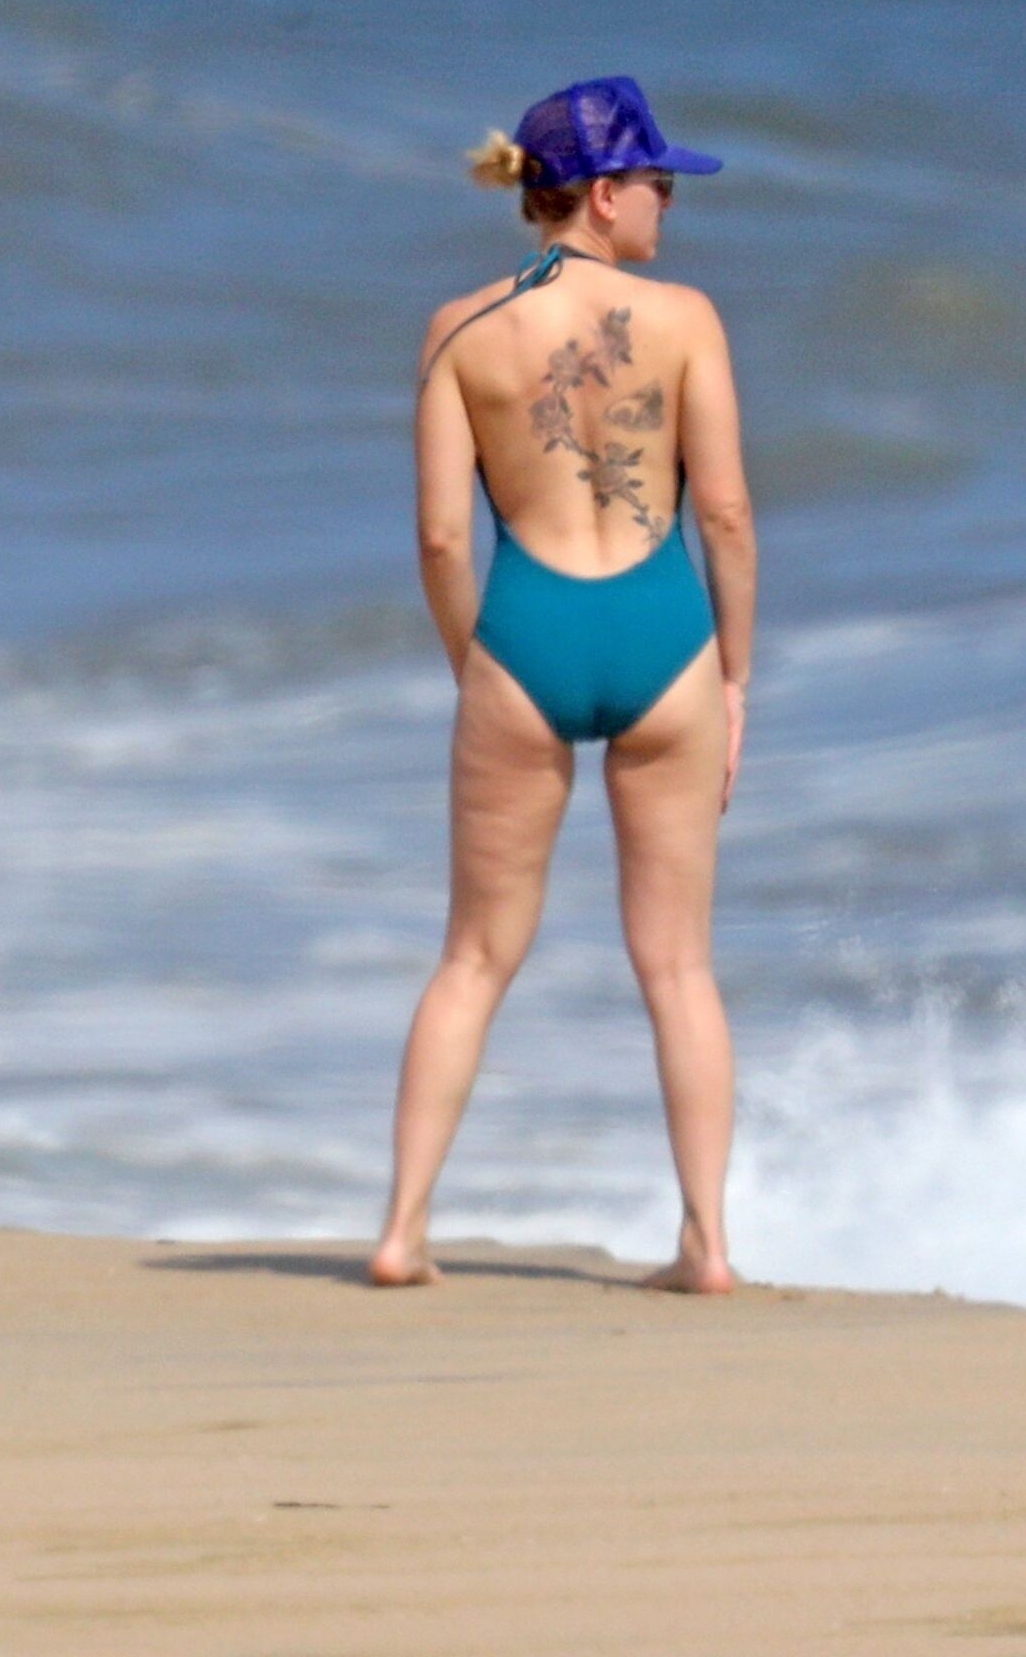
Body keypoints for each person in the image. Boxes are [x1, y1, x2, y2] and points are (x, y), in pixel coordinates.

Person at [370, 75, 757, 1294]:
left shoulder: (459, 331)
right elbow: (725, 516)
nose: (667, 204)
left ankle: (401, 1233)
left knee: (474, 957)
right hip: (662, 638)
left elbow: (441, 539)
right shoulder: (686, 320)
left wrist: (475, 663)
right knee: (678, 967)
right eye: (656, 183)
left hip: (524, 638)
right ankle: (705, 1245)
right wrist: (734, 680)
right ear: (599, 195)